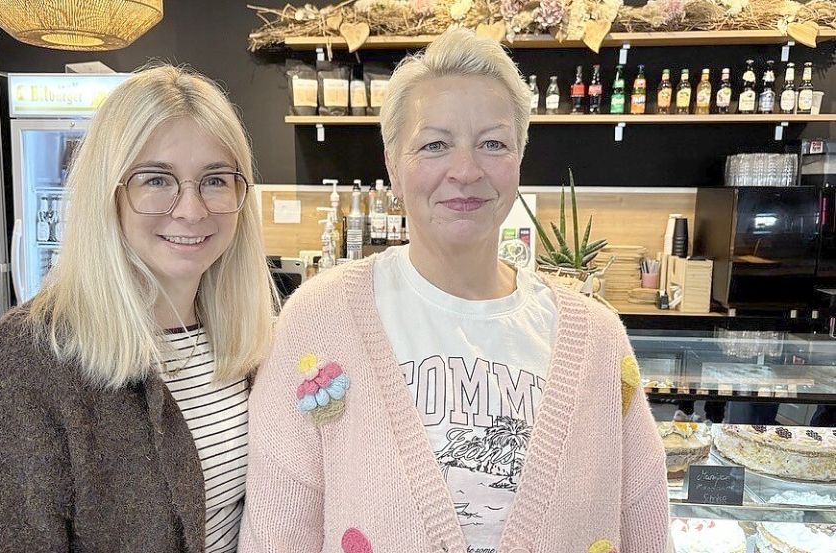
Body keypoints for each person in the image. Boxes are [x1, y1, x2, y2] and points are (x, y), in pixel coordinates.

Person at [241, 29, 669, 553]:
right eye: (435, 144)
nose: (465, 171)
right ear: (393, 167)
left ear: (518, 161)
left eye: (493, 144)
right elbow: (276, 531)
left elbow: (643, 518)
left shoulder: (597, 339)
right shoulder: (319, 321)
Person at [0, 65, 274, 553]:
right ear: (107, 193)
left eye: (215, 180)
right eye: (157, 179)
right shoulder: (18, 369)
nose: (192, 210)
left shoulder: (248, 346)